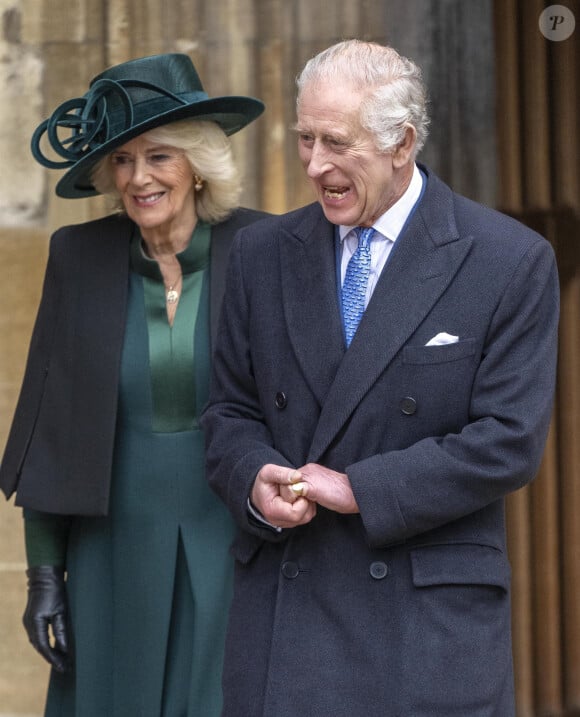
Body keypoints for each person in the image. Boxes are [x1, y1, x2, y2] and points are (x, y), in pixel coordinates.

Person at [200, 39, 560, 716]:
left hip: (425, 629)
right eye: (304, 139)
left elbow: (508, 440)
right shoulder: (260, 254)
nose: (314, 164)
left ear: (403, 143)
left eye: (336, 142)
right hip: (288, 613)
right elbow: (228, 412)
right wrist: (254, 478)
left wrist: (361, 487)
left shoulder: (508, 261)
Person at [0, 53, 267, 716]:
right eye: (122, 160)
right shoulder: (78, 258)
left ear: (198, 162)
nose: (139, 177)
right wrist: (43, 576)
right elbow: (50, 429)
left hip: (236, 541)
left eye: (159, 156)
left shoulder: (268, 248)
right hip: (110, 548)